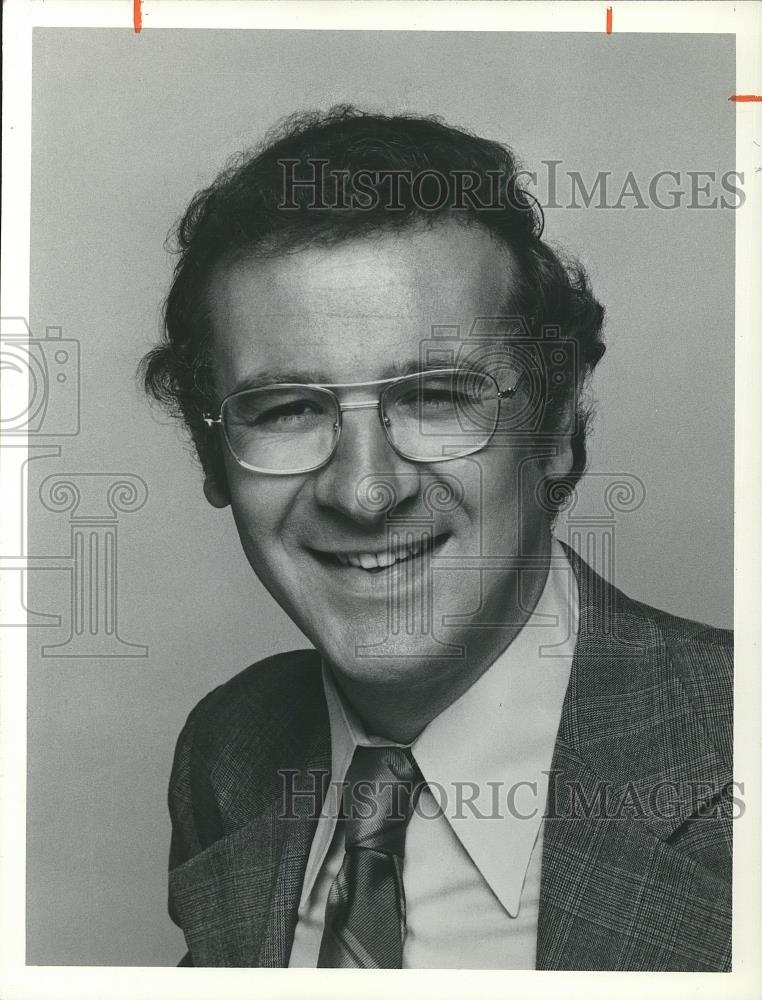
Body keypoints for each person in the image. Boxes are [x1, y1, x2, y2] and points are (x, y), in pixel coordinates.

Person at [141, 107, 733, 971]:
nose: (366, 490)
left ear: (556, 423)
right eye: (290, 409)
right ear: (215, 459)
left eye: (436, 397)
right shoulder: (228, 753)